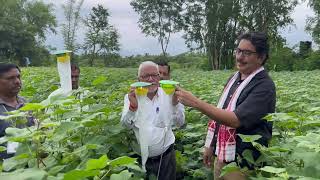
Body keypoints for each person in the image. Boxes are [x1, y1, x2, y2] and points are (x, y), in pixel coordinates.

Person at [175, 32, 276, 179]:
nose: (239, 57)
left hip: (243, 162)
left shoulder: (264, 86)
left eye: (247, 53)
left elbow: (234, 119)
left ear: (261, 57)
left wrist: (196, 103)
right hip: (223, 154)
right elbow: (221, 114)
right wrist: (211, 145)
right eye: (239, 51)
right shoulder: (235, 78)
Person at [121, 61, 185, 180]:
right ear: (138, 79)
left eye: (154, 75)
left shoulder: (170, 95)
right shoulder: (131, 97)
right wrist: (133, 108)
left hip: (166, 157)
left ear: (159, 77)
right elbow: (126, 125)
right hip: (140, 159)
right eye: (146, 76)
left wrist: (175, 104)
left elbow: (180, 123)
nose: (151, 79)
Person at [0, 64, 34, 160]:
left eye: (18, 77)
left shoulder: (25, 103)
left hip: (31, 160)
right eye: (10, 78)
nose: (17, 82)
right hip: (6, 167)